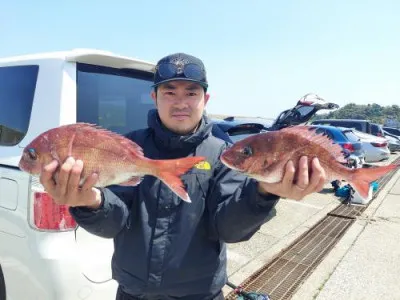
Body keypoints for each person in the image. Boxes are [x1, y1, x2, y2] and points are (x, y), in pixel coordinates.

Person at [39, 53, 326, 300]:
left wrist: (265, 193)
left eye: (191, 92)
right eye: (169, 92)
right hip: (132, 293)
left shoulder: (224, 154)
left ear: (205, 98)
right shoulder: (129, 147)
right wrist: (90, 202)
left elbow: (231, 230)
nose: (181, 102)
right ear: (154, 97)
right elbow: (114, 224)